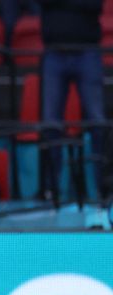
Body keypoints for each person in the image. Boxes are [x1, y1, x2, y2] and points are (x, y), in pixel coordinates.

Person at [38, 0, 105, 202]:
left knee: (97, 122)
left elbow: (95, 5)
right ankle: (52, 189)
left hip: (87, 51)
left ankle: (102, 187)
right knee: (51, 123)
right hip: (53, 51)